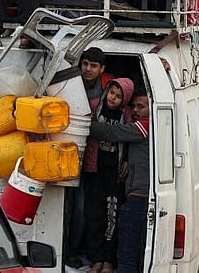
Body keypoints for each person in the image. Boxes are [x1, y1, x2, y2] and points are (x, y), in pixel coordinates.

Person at [89, 88, 151, 273]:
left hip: (139, 197)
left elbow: (113, 132)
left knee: (126, 256)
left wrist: (83, 124)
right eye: (134, 106)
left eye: (141, 106)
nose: (136, 111)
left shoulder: (145, 126)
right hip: (138, 195)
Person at [66, 46, 114, 268]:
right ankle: (67, 252)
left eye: (93, 65)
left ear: (101, 68)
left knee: (83, 209)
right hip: (66, 154)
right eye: (85, 64)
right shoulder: (68, 81)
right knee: (66, 207)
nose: (87, 69)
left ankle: (76, 251)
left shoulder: (108, 86)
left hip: (94, 160)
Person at [83, 78, 134, 273]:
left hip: (115, 175)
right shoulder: (95, 107)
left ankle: (108, 261)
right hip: (94, 171)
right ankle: (95, 260)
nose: (113, 98)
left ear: (125, 99)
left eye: (119, 96)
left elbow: (129, 139)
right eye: (112, 93)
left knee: (112, 218)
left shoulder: (127, 114)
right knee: (93, 216)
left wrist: (127, 160)